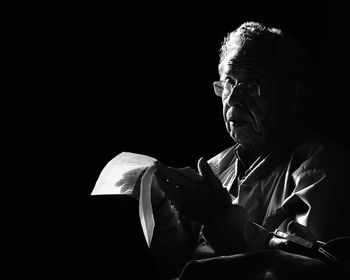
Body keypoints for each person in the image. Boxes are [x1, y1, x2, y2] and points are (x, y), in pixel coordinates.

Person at [134, 21, 350, 279]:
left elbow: (307, 268)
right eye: (228, 83)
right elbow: (178, 264)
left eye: (251, 86)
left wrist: (219, 217)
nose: (233, 99)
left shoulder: (319, 167)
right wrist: (160, 211)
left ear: (291, 97)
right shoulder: (216, 167)